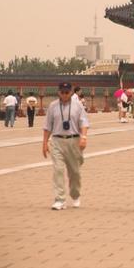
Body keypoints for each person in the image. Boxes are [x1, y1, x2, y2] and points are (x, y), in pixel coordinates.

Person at [43, 82, 90, 210]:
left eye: (67, 92)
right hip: (57, 141)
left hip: (73, 141)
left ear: (71, 92)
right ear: (58, 92)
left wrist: (84, 138)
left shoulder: (78, 106)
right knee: (58, 170)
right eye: (62, 92)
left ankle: (75, 195)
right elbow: (47, 126)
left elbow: (84, 122)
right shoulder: (53, 106)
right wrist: (44, 143)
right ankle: (59, 199)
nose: (64, 95)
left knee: (74, 172)